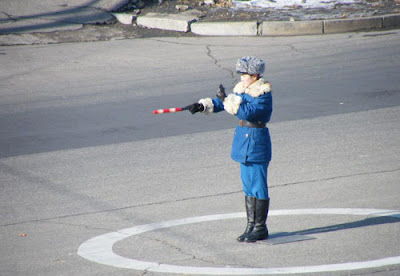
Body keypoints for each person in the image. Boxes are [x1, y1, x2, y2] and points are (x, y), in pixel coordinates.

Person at [188, 56, 273, 243]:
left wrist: (227, 100)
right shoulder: (241, 90)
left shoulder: (264, 94)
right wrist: (203, 105)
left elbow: (247, 112)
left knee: (258, 186)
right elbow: (223, 104)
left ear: (255, 75)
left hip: (257, 141)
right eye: (241, 74)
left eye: (245, 74)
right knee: (248, 186)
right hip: (244, 142)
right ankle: (251, 225)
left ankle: (260, 227)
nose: (242, 77)